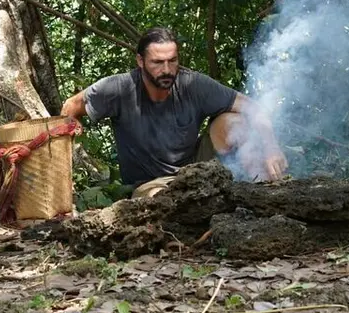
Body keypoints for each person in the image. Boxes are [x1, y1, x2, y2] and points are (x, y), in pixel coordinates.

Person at [60, 26, 288, 198]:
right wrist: (72, 131)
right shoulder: (118, 88)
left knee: (234, 121)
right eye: (158, 63)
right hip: (151, 185)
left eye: (172, 61)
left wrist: (271, 147)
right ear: (140, 61)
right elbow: (71, 106)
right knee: (161, 203)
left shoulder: (193, 84)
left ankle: (267, 192)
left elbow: (252, 106)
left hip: (198, 171)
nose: (167, 70)